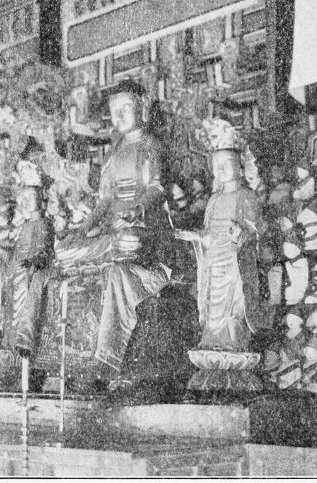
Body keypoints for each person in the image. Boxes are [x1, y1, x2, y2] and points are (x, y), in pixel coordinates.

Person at [55, 79, 171, 376]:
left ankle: (107, 356)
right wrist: (83, 229)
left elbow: (157, 188)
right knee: (64, 248)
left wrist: (136, 210)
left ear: (142, 108)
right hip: (111, 233)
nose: (118, 115)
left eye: (125, 107)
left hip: (141, 228)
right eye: (114, 110)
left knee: (128, 243)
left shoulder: (150, 146)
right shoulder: (114, 152)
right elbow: (105, 200)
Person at [177, 119, 266, 391]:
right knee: (211, 305)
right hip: (214, 263)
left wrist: (242, 234)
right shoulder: (214, 200)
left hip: (235, 263)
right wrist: (196, 238)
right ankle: (212, 343)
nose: (221, 170)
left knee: (234, 307)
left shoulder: (246, 196)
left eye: (226, 163)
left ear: (239, 166)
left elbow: (257, 230)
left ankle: (233, 343)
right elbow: (208, 235)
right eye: (216, 165)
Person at [6, 187, 53, 357]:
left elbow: (44, 251)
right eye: (24, 198)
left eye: (31, 197)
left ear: (40, 199)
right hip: (19, 268)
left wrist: (33, 261)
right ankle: (11, 340)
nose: (26, 202)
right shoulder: (25, 225)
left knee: (28, 284)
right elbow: (17, 250)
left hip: (34, 268)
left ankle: (25, 338)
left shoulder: (44, 223)